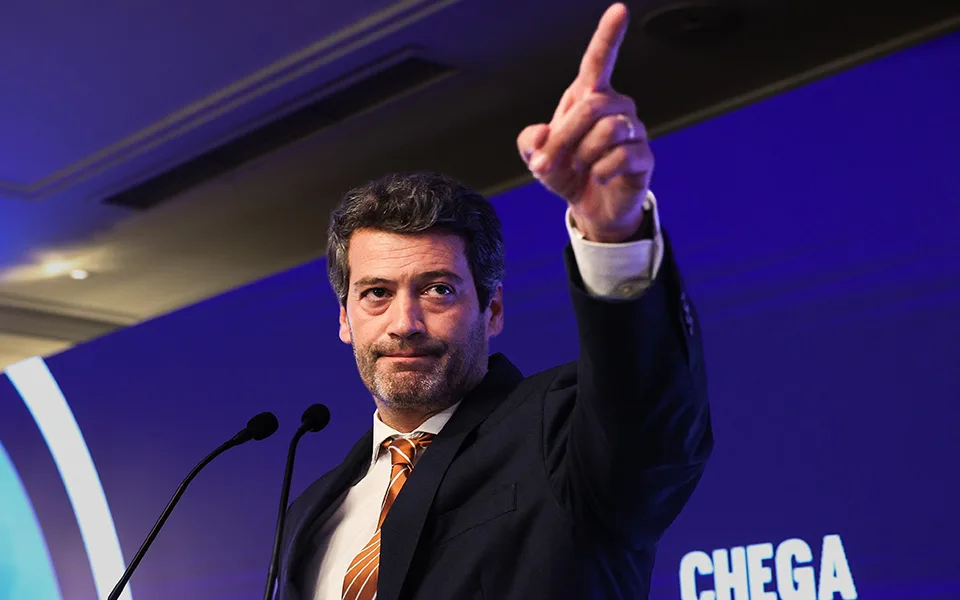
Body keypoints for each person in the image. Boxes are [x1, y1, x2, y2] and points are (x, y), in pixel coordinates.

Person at [277, 4, 711, 599]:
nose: (405, 323)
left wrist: (613, 233)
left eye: (438, 289)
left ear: (493, 309)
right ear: (345, 319)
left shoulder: (563, 433)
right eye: (376, 293)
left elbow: (650, 424)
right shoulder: (309, 512)